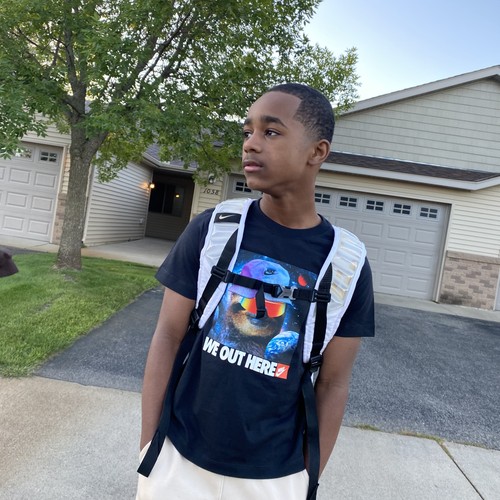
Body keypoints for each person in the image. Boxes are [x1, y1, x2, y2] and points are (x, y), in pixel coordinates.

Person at [137, 83, 375, 500]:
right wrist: (149, 444)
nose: (250, 143)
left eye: (271, 132)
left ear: (317, 151)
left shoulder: (346, 264)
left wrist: (307, 477)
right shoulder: (214, 229)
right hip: (178, 456)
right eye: (247, 132)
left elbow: (333, 384)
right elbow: (168, 336)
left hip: (275, 477)